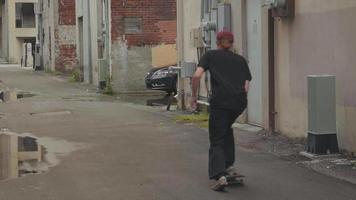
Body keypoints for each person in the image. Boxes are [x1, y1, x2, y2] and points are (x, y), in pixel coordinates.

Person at [191, 31, 252, 191]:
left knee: (217, 137)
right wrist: (239, 96)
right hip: (239, 102)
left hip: (221, 102)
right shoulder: (240, 60)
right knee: (226, 130)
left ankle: (220, 175)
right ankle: (229, 165)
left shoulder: (210, 55)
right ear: (232, 43)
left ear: (217, 42)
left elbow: (197, 76)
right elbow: (246, 85)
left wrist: (193, 97)